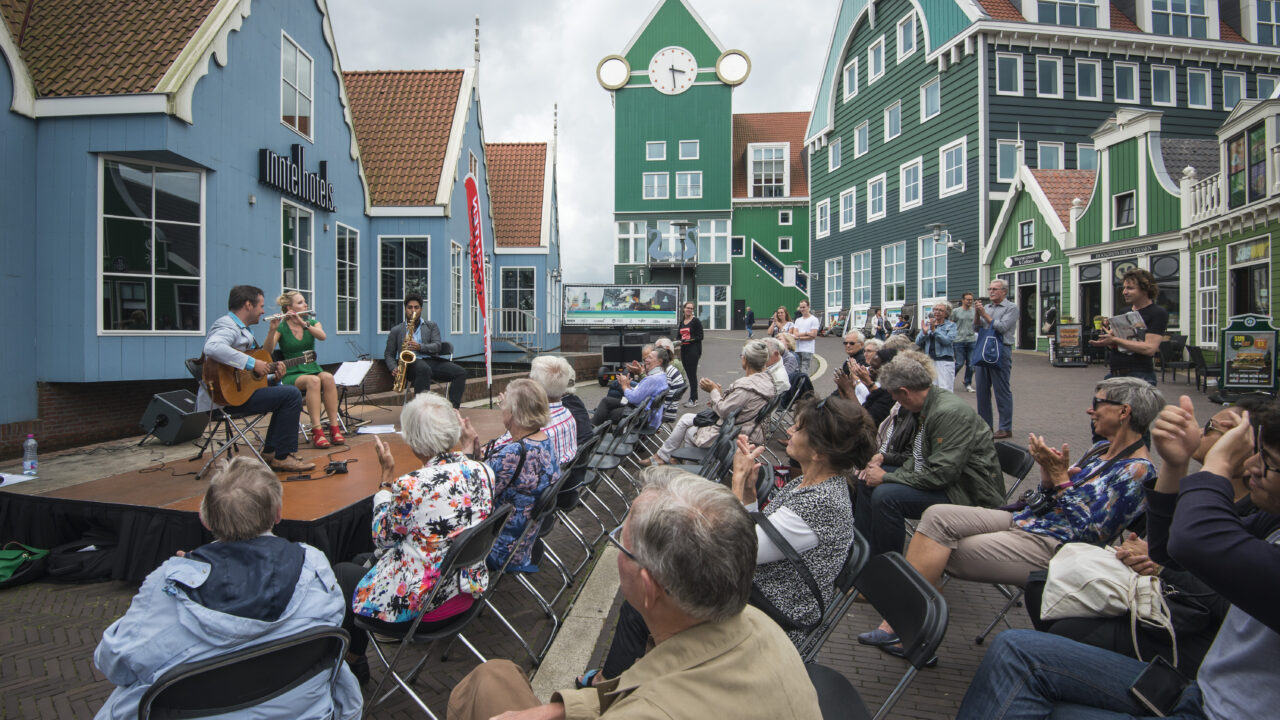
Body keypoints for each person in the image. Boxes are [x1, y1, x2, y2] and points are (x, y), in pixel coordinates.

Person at [954, 394, 1280, 720]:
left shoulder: (1139, 469)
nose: (1254, 465)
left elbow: (1186, 547)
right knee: (1017, 645)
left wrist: (1216, 466)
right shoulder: (1269, 519)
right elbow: (1169, 547)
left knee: (1043, 643)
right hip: (1203, 691)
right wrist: (1175, 464)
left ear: (1124, 411)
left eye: (1267, 459)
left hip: (1202, 683)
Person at [445, 470, 823, 720]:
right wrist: (564, 709)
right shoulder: (759, 625)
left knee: (492, 678)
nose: (617, 553)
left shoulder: (651, 711)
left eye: (620, 545)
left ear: (648, 586)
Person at [859, 377, 1158, 658]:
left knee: (941, 549)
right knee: (935, 516)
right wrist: (1048, 478)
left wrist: (1060, 480)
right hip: (1027, 520)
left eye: (1098, 402)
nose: (1090, 410)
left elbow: (1091, 532)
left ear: (1124, 412)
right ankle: (913, 611)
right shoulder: (1100, 449)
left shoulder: (1137, 471)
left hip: (1054, 544)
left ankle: (907, 629)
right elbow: (1056, 495)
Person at [586, 398, 877, 685]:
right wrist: (749, 494)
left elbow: (733, 551)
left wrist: (737, 481)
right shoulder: (814, 485)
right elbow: (763, 536)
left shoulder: (821, 503)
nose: (790, 431)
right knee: (658, 593)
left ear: (819, 453)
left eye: (799, 429)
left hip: (772, 614)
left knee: (648, 601)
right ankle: (634, 676)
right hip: (758, 594)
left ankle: (607, 684)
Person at [94, 457, 360, 718]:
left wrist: (186, 572)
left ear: (205, 519)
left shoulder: (167, 586)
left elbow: (115, 664)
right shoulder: (313, 564)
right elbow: (334, 620)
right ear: (278, 513)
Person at [332, 394, 493, 683]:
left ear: (414, 442)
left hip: (427, 608)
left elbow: (382, 539)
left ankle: (354, 661)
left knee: (343, 572)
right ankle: (356, 656)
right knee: (359, 561)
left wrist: (386, 481)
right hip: (466, 591)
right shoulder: (483, 470)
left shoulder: (411, 485)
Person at [854, 353, 1006, 558]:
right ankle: (863, 554)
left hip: (966, 491)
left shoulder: (947, 413)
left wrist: (886, 477)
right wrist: (884, 459)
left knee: (886, 496)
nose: (894, 401)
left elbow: (941, 474)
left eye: (894, 396)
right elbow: (918, 456)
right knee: (866, 479)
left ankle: (886, 566)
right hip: (947, 481)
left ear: (905, 392)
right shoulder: (927, 405)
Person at [196, 285, 314, 472]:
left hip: (239, 394)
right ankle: (282, 457)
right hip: (224, 399)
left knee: (285, 393)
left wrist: (272, 375)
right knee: (291, 395)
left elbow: (252, 374)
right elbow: (212, 347)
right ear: (248, 305)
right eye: (261, 306)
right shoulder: (227, 325)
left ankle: (272, 452)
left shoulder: (244, 330)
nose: (263, 311)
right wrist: (252, 363)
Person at [648, 340, 776, 465]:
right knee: (687, 422)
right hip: (750, 430)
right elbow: (736, 406)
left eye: (741, 356)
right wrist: (718, 394)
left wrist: (713, 391)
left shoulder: (746, 387)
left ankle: (687, 466)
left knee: (690, 430)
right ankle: (678, 461)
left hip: (736, 435)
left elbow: (724, 411)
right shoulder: (765, 383)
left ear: (745, 360)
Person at [484, 379, 560, 572]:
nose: (502, 409)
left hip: (497, 549)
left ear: (514, 413)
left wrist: (469, 454)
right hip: (524, 542)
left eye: (504, 405)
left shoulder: (513, 454)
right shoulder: (545, 441)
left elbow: (471, 494)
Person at [264, 290, 344, 449]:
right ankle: (317, 431)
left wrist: (303, 323)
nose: (306, 305)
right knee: (313, 381)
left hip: (312, 367)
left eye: (304, 302)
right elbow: (267, 351)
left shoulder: (312, 323)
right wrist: (272, 330)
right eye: (300, 302)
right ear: (289, 308)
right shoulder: (282, 327)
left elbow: (322, 336)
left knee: (328, 378)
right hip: (291, 373)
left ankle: (334, 427)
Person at [383, 293, 468, 408]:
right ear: (405, 309)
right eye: (410, 307)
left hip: (431, 361)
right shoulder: (396, 330)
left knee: (461, 372)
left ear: (421, 309)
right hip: (409, 365)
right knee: (424, 369)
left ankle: (454, 409)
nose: (413, 310)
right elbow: (389, 354)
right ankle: (421, 410)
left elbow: (437, 346)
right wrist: (393, 367)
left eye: (416, 307)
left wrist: (420, 347)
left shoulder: (431, 326)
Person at [1090, 267, 1168, 385]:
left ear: (1145, 289)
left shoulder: (1157, 313)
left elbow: (1149, 349)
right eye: (1124, 288)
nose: (1124, 292)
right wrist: (1108, 341)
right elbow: (1119, 345)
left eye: (1130, 288)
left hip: (1139, 376)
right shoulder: (1124, 312)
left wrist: (1115, 339)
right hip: (1115, 374)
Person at [497, 356, 578, 466]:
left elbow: (492, 455)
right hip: (562, 475)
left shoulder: (531, 428)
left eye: (530, 379)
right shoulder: (568, 415)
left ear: (536, 387)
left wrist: (509, 414)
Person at [974, 279, 1018, 438]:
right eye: (990, 289)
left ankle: (1005, 427)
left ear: (1004, 291)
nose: (991, 292)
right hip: (983, 349)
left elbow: (1002, 327)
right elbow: (975, 327)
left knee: (1002, 390)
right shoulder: (987, 307)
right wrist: (977, 313)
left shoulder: (1011, 308)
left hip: (1001, 350)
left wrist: (984, 314)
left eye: (995, 289)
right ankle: (985, 426)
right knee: (981, 390)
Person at [591, 347, 670, 427]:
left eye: (650, 357)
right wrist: (627, 386)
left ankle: (591, 429)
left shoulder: (653, 379)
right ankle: (594, 424)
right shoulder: (661, 375)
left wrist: (624, 386)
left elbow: (634, 399)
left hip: (641, 417)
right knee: (606, 402)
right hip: (645, 413)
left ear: (659, 362)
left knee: (606, 411)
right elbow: (640, 394)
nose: (646, 359)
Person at [836, 347, 897, 427]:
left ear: (888, 369)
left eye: (874, 367)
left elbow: (866, 420)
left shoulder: (891, 393)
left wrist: (849, 390)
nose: (869, 369)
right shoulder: (881, 389)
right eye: (870, 366)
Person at [916, 301, 959, 391]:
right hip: (930, 360)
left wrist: (934, 331)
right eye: (935, 310)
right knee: (931, 389)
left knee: (945, 389)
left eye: (940, 310)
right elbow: (918, 342)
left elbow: (947, 341)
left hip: (944, 361)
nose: (937, 312)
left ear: (946, 313)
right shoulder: (928, 324)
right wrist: (924, 333)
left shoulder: (951, 326)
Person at [676, 301, 704, 407]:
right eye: (688, 308)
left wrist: (689, 339)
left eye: (691, 308)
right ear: (684, 309)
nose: (690, 310)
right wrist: (679, 341)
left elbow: (700, 336)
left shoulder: (696, 321)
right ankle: (692, 398)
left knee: (692, 375)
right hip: (684, 350)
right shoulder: (682, 322)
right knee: (688, 375)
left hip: (693, 351)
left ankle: (694, 400)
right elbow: (678, 336)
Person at [654, 337, 688, 415]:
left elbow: (656, 390)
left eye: (657, 348)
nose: (654, 351)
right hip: (669, 405)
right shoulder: (672, 364)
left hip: (663, 410)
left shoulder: (669, 367)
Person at [952, 292, 978, 392]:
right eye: (968, 299)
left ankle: (967, 383)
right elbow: (951, 324)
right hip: (959, 340)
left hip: (971, 340)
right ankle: (949, 379)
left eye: (971, 299)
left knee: (971, 364)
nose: (970, 301)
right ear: (963, 300)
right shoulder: (956, 311)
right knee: (959, 363)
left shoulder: (974, 311)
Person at [791, 300, 821, 374]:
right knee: (797, 370)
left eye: (804, 307)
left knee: (804, 370)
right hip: (797, 348)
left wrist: (799, 337)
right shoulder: (798, 320)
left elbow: (813, 336)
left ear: (808, 307)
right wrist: (806, 333)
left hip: (807, 349)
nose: (802, 309)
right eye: (801, 307)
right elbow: (795, 333)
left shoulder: (813, 319)